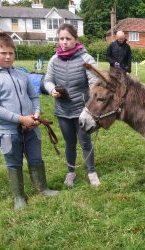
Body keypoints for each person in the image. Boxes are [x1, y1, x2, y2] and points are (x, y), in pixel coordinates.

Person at [0, 32, 59, 210]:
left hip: (31, 127)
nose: (8, 57)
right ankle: (19, 197)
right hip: (8, 132)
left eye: (11, 53)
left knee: (36, 158)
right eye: (3, 53)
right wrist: (20, 119)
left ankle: (42, 188)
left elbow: (34, 96)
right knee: (13, 162)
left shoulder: (22, 75)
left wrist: (36, 113)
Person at [44, 23, 100, 187]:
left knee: (85, 142)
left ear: (76, 39)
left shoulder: (86, 59)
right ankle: (71, 172)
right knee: (69, 143)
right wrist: (51, 89)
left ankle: (91, 172)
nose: (64, 42)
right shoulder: (54, 59)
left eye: (68, 38)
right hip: (62, 110)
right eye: (61, 38)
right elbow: (47, 80)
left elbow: (94, 83)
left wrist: (89, 105)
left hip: (81, 111)